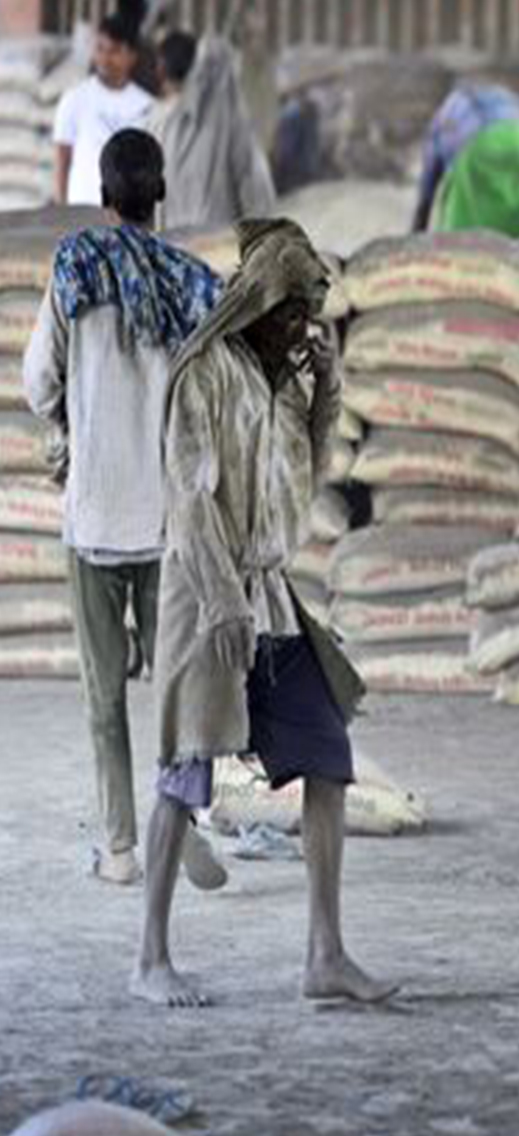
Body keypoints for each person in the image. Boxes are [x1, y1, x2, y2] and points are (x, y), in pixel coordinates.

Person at [133, 218, 393, 1009]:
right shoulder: (206, 373)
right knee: (185, 771)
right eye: (289, 318)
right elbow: (191, 497)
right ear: (256, 305)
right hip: (206, 597)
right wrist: (220, 604)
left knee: (327, 752)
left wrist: (327, 387)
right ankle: (151, 959)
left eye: (306, 322)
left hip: (271, 598)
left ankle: (325, 955)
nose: (297, 333)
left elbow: (303, 477)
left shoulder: (280, 383)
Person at [24, 130, 227, 891]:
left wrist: (74, 419)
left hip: (97, 514)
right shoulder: (193, 282)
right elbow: (214, 396)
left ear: (105, 197)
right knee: (177, 689)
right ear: (160, 195)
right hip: (167, 517)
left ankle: (118, 849)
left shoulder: (76, 265)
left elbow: (40, 382)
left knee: (103, 696)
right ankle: (185, 824)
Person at [144, 30, 276, 228]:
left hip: (171, 244)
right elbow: (254, 187)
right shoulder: (230, 115)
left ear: (161, 68)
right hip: (218, 246)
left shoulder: (154, 122)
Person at [412, 84, 519, 238]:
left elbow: (427, 188)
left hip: (481, 141)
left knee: (459, 240)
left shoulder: (442, 118)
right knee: (518, 225)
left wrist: (416, 235)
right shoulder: (502, 99)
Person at [53, 12, 154, 207]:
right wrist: (60, 213)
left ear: (132, 56)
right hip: (81, 214)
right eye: (100, 48)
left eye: (115, 51)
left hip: (130, 219)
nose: (105, 59)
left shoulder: (147, 106)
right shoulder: (74, 99)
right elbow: (61, 159)